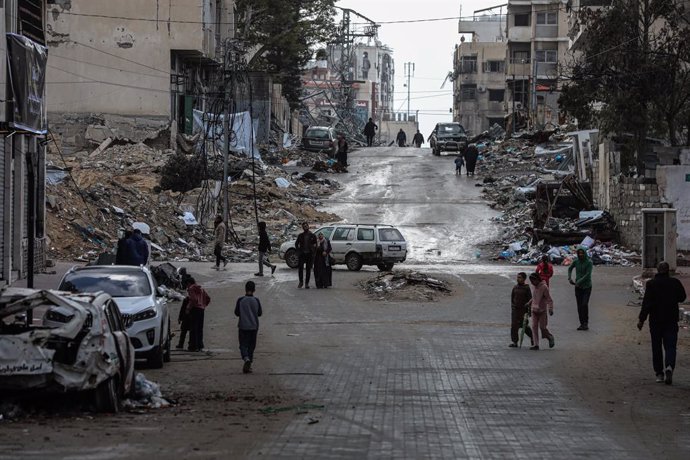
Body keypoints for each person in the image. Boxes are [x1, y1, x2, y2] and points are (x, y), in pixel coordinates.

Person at [637, 261, 687, 384]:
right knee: (670, 346)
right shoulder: (675, 283)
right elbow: (682, 297)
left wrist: (641, 320)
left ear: (657, 270)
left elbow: (646, 304)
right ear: (668, 270)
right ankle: (669, 366)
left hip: (655, 321)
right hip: (671, 319)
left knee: (656, 346)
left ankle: (659, 373)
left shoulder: (651, 284)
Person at [235, 280, 263, 374]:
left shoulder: (240, 300)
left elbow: (236, 313)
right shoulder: (256, 300)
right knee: (251, 346)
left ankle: (246, 358)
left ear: (245, 289)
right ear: (254, 290)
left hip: (243, 326)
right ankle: (249, 363)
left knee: (243, 344)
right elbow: (259, 313)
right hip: (254, 326)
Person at [527, 272, 555, 350]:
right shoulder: (534, 287)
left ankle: (549, 337)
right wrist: (529, 303)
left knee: (542, 327)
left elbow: (549, 299)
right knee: (534, 327)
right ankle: (536, 345)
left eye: (533, 281)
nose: (532, 283)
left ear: (537, 279)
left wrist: (550, 309)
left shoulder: (544, 287)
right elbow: (534, 297)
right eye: (531, 281)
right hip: (534, 310)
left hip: (542, 311)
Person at [567, 247, 593, 330]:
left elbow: (588, 274)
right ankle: (582, 323)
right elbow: (569, 268)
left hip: (587, 286)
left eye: (582, 253)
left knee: (584, 304)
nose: (581, 255)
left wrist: (579, 281)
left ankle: (586, 323)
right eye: (579, 253)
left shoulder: (589, 262)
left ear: (585, 253)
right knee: (579, 306)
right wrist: (569, 278)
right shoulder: (576, 261)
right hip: (578, 287)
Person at [185, 276, 211, 352]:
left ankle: (193, 346)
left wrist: (188, 308)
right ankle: (200, 345)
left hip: (195, 309)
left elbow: (193, 299)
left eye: (186, 284)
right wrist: (203, 305)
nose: (186, 286)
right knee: (200, 328)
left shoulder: (191, 289)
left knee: (193, 328)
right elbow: (208, 298)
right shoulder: (201, 289)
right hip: (201, 310)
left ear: (189, 283)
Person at [509, 272, 533, 348]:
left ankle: (533, 337)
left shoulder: (526, 288)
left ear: (524, 279)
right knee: (514, 326)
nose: (518, 279)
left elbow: (530, 300)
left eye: (520, 277)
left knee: (524, 326)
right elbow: (512, 298)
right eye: (517, 277)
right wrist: (513, 307)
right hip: (515, 310)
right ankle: (515, 342)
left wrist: (529, 311)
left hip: (523, 311)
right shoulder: (515, 287)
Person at [295, 222, 317, 289]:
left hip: (309, 255)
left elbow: (315, 245)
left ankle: (306, 283)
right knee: (300, 269)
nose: (305, 227)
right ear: (302, 228)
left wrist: (313, 253)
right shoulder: (300, 235)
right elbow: (296, 244)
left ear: (308, 226)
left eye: (306, 226)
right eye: (304, 226)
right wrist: (298, 251)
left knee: (308, 269)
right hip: (302, 254)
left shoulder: (312, 235)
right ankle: (301, 282)